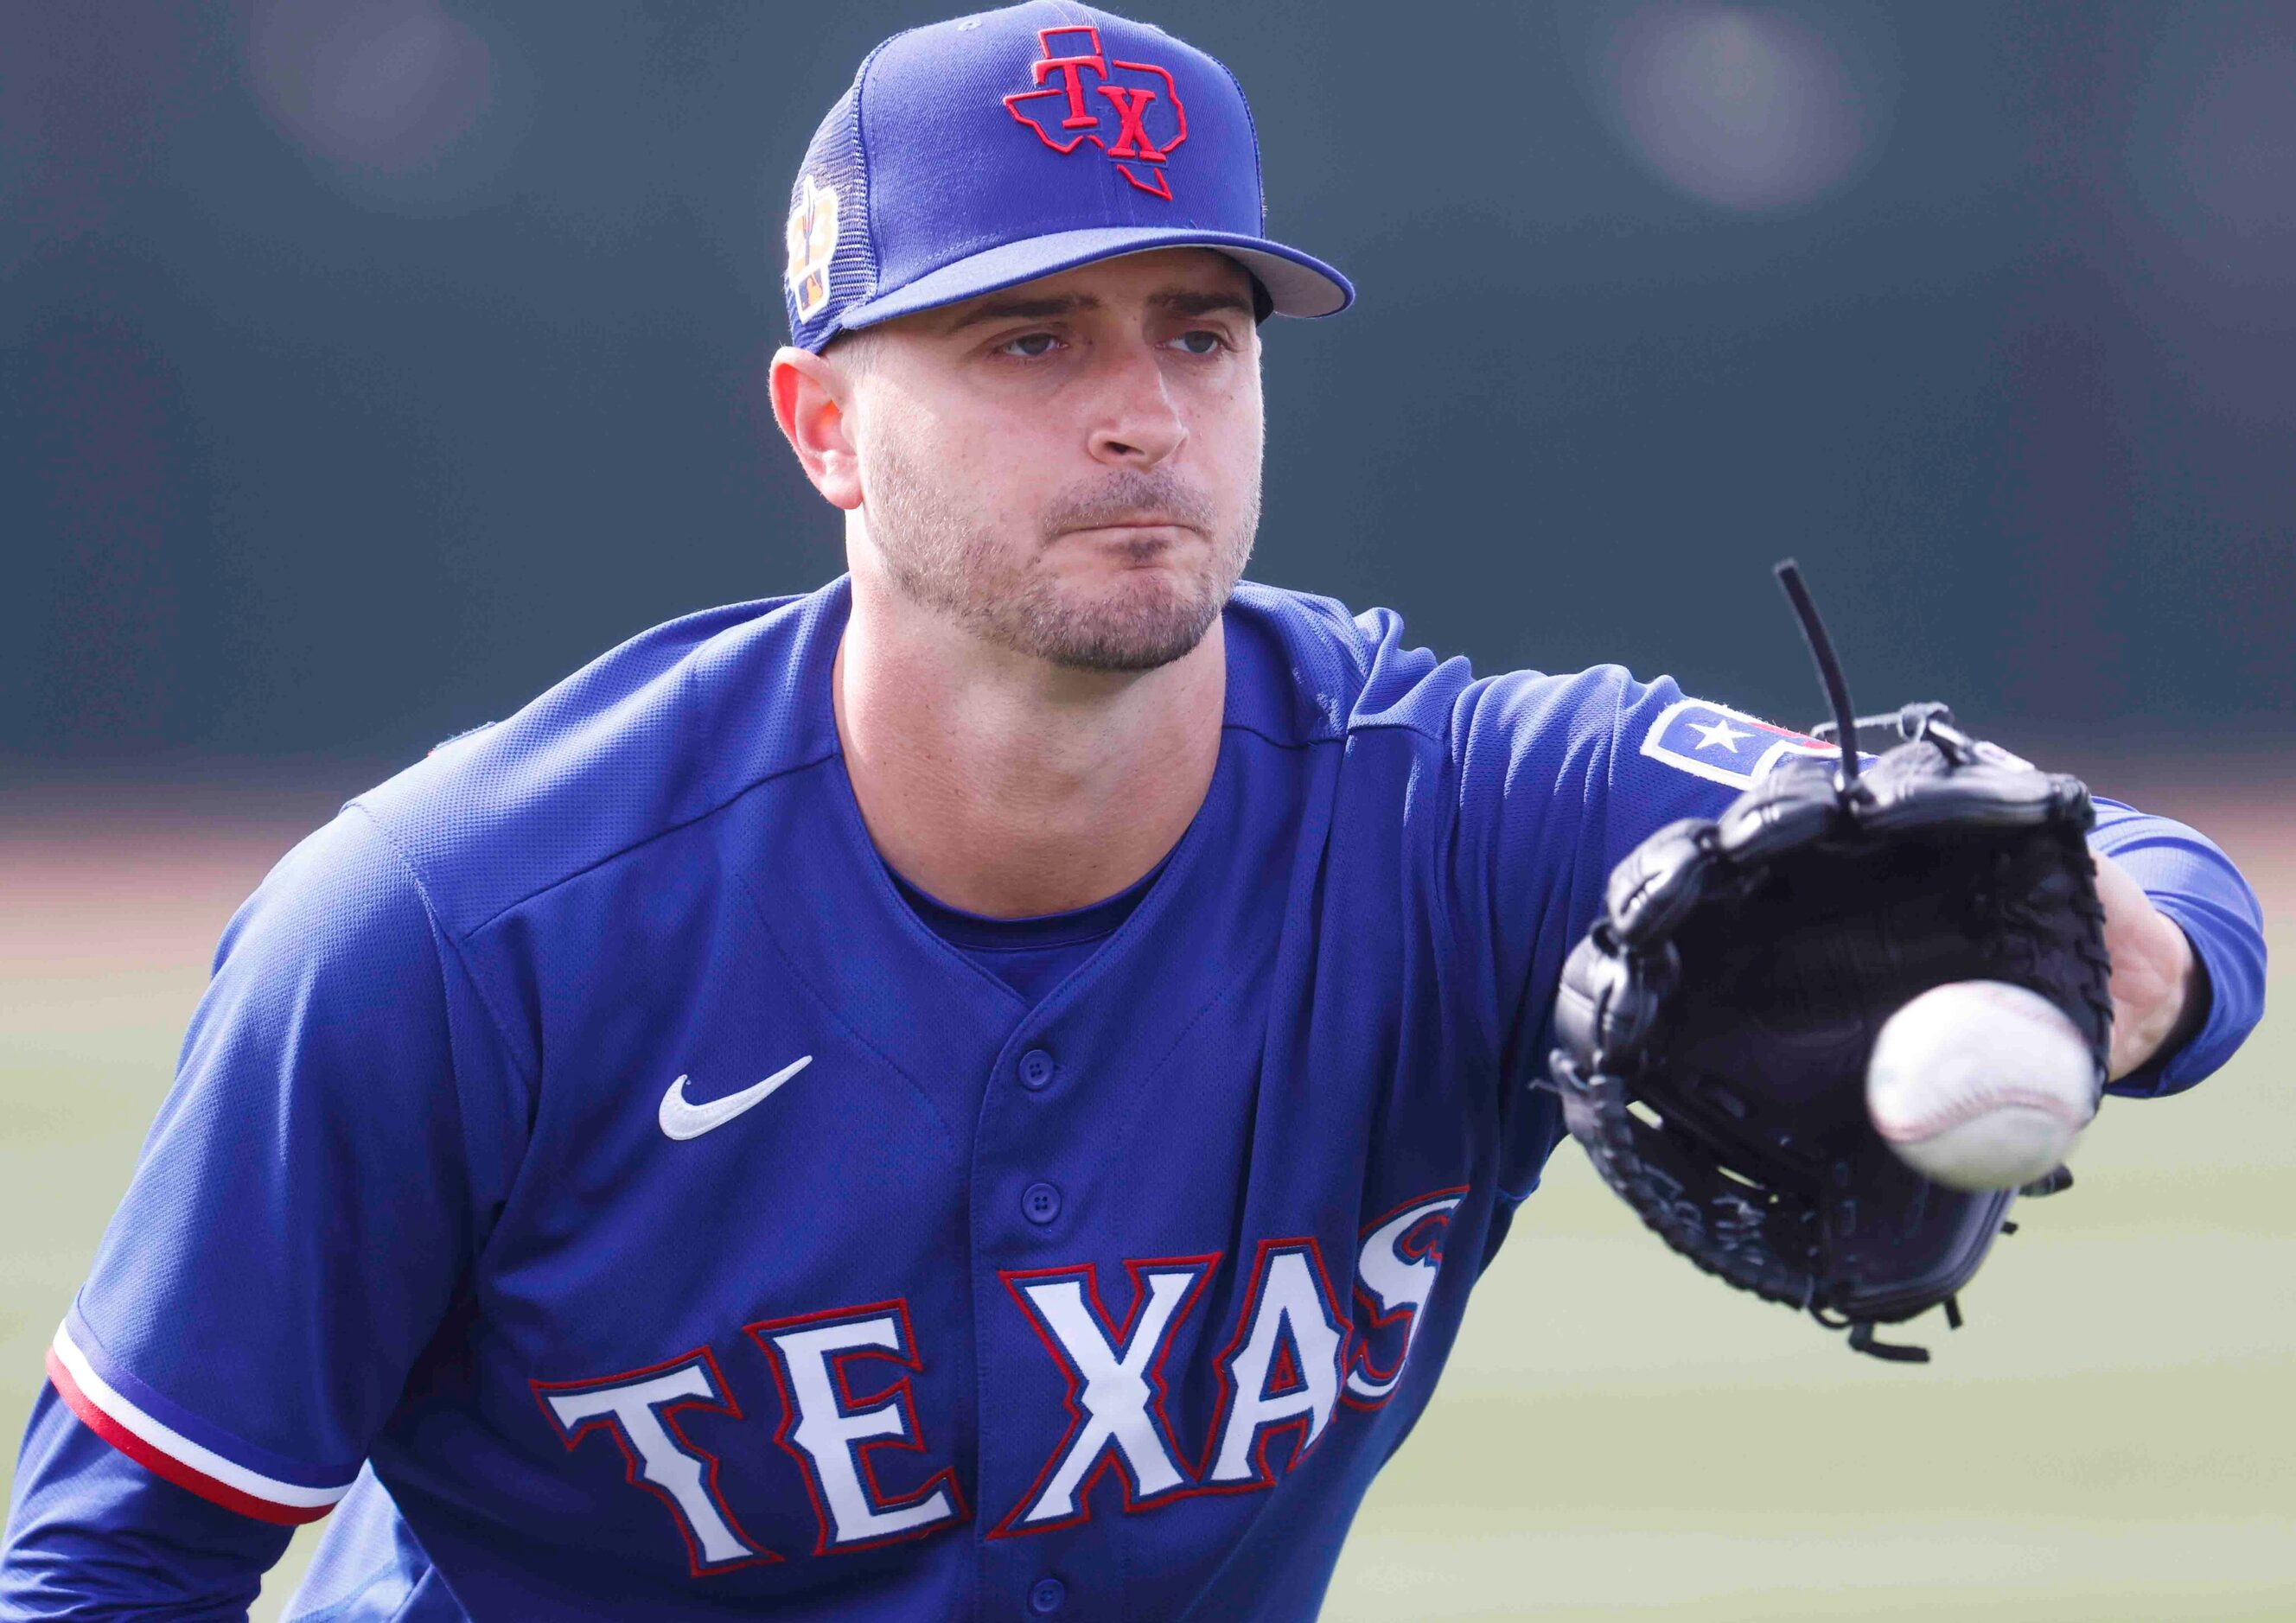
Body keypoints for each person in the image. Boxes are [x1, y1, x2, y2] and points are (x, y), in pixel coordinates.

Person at [2, 4, 2264, 1619]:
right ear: (821, 426)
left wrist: (2124, 963)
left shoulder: (1459, 809)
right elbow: (111, 1559)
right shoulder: (446, 933)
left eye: (1199, 332)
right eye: (1025, 340)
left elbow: (2145, 879)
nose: (1139, 416)